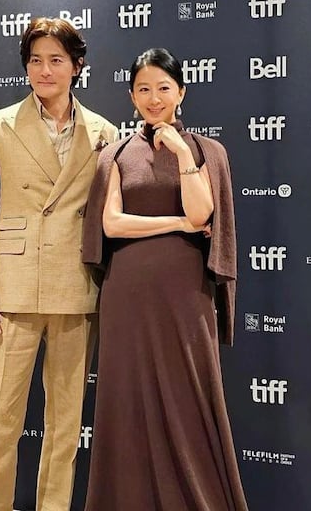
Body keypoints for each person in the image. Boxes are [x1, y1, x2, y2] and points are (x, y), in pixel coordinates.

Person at [81, 47, 249, 510]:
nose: (153, 98)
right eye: (143, 89)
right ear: (131, 96)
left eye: (163, 88)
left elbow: (202, 212)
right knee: (126, 398)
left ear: (181, 92)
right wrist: (175, 224)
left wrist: (179, 151)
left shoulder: (207, 151)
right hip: (127, 294)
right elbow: (112, 224)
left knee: (189, 395)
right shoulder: (115, 153)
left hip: (185, 294)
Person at [0, 16, 118, 511]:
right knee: (0, 421)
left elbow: (109, 216)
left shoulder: (105, 132)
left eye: (55, 60)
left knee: (66, 425)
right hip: (13, 290)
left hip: (76, 288)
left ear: (77, 66)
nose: (44, 70)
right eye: (35, 60)